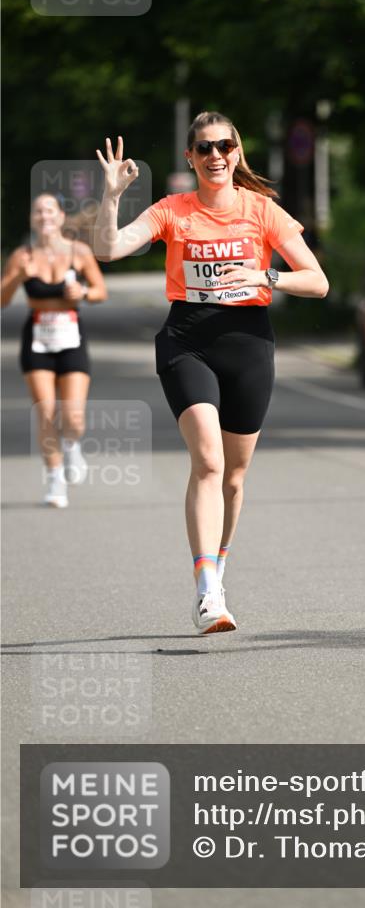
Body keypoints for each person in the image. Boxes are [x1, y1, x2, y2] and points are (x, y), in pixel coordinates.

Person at [93, 112, 329, 635]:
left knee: (235, 476)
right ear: (191, 158)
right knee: (207, 461)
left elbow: (319, 282)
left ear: (238, 153)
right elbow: (106, 249)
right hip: (186, 343)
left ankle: (218, 566)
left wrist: (265, 274)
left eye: (224, 146)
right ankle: (207, 593)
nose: (215, 155)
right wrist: (111, 197)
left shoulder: (262, 211)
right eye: (204, 148)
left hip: (248, 345)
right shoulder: (173, 210)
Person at [0, 193, 108, 507]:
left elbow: (101, 291)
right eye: (38, 211)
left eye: (50, 210)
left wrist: (84, 291)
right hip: (37, 338)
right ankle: (54, 479)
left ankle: (72, 446)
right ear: (33, 219)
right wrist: (18, 277)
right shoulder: (23, 255)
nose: (44, 216)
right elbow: (3, 299)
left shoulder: (79, 252)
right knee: (45, 411)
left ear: (61, 216)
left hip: (71, 335)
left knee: (72, 416)